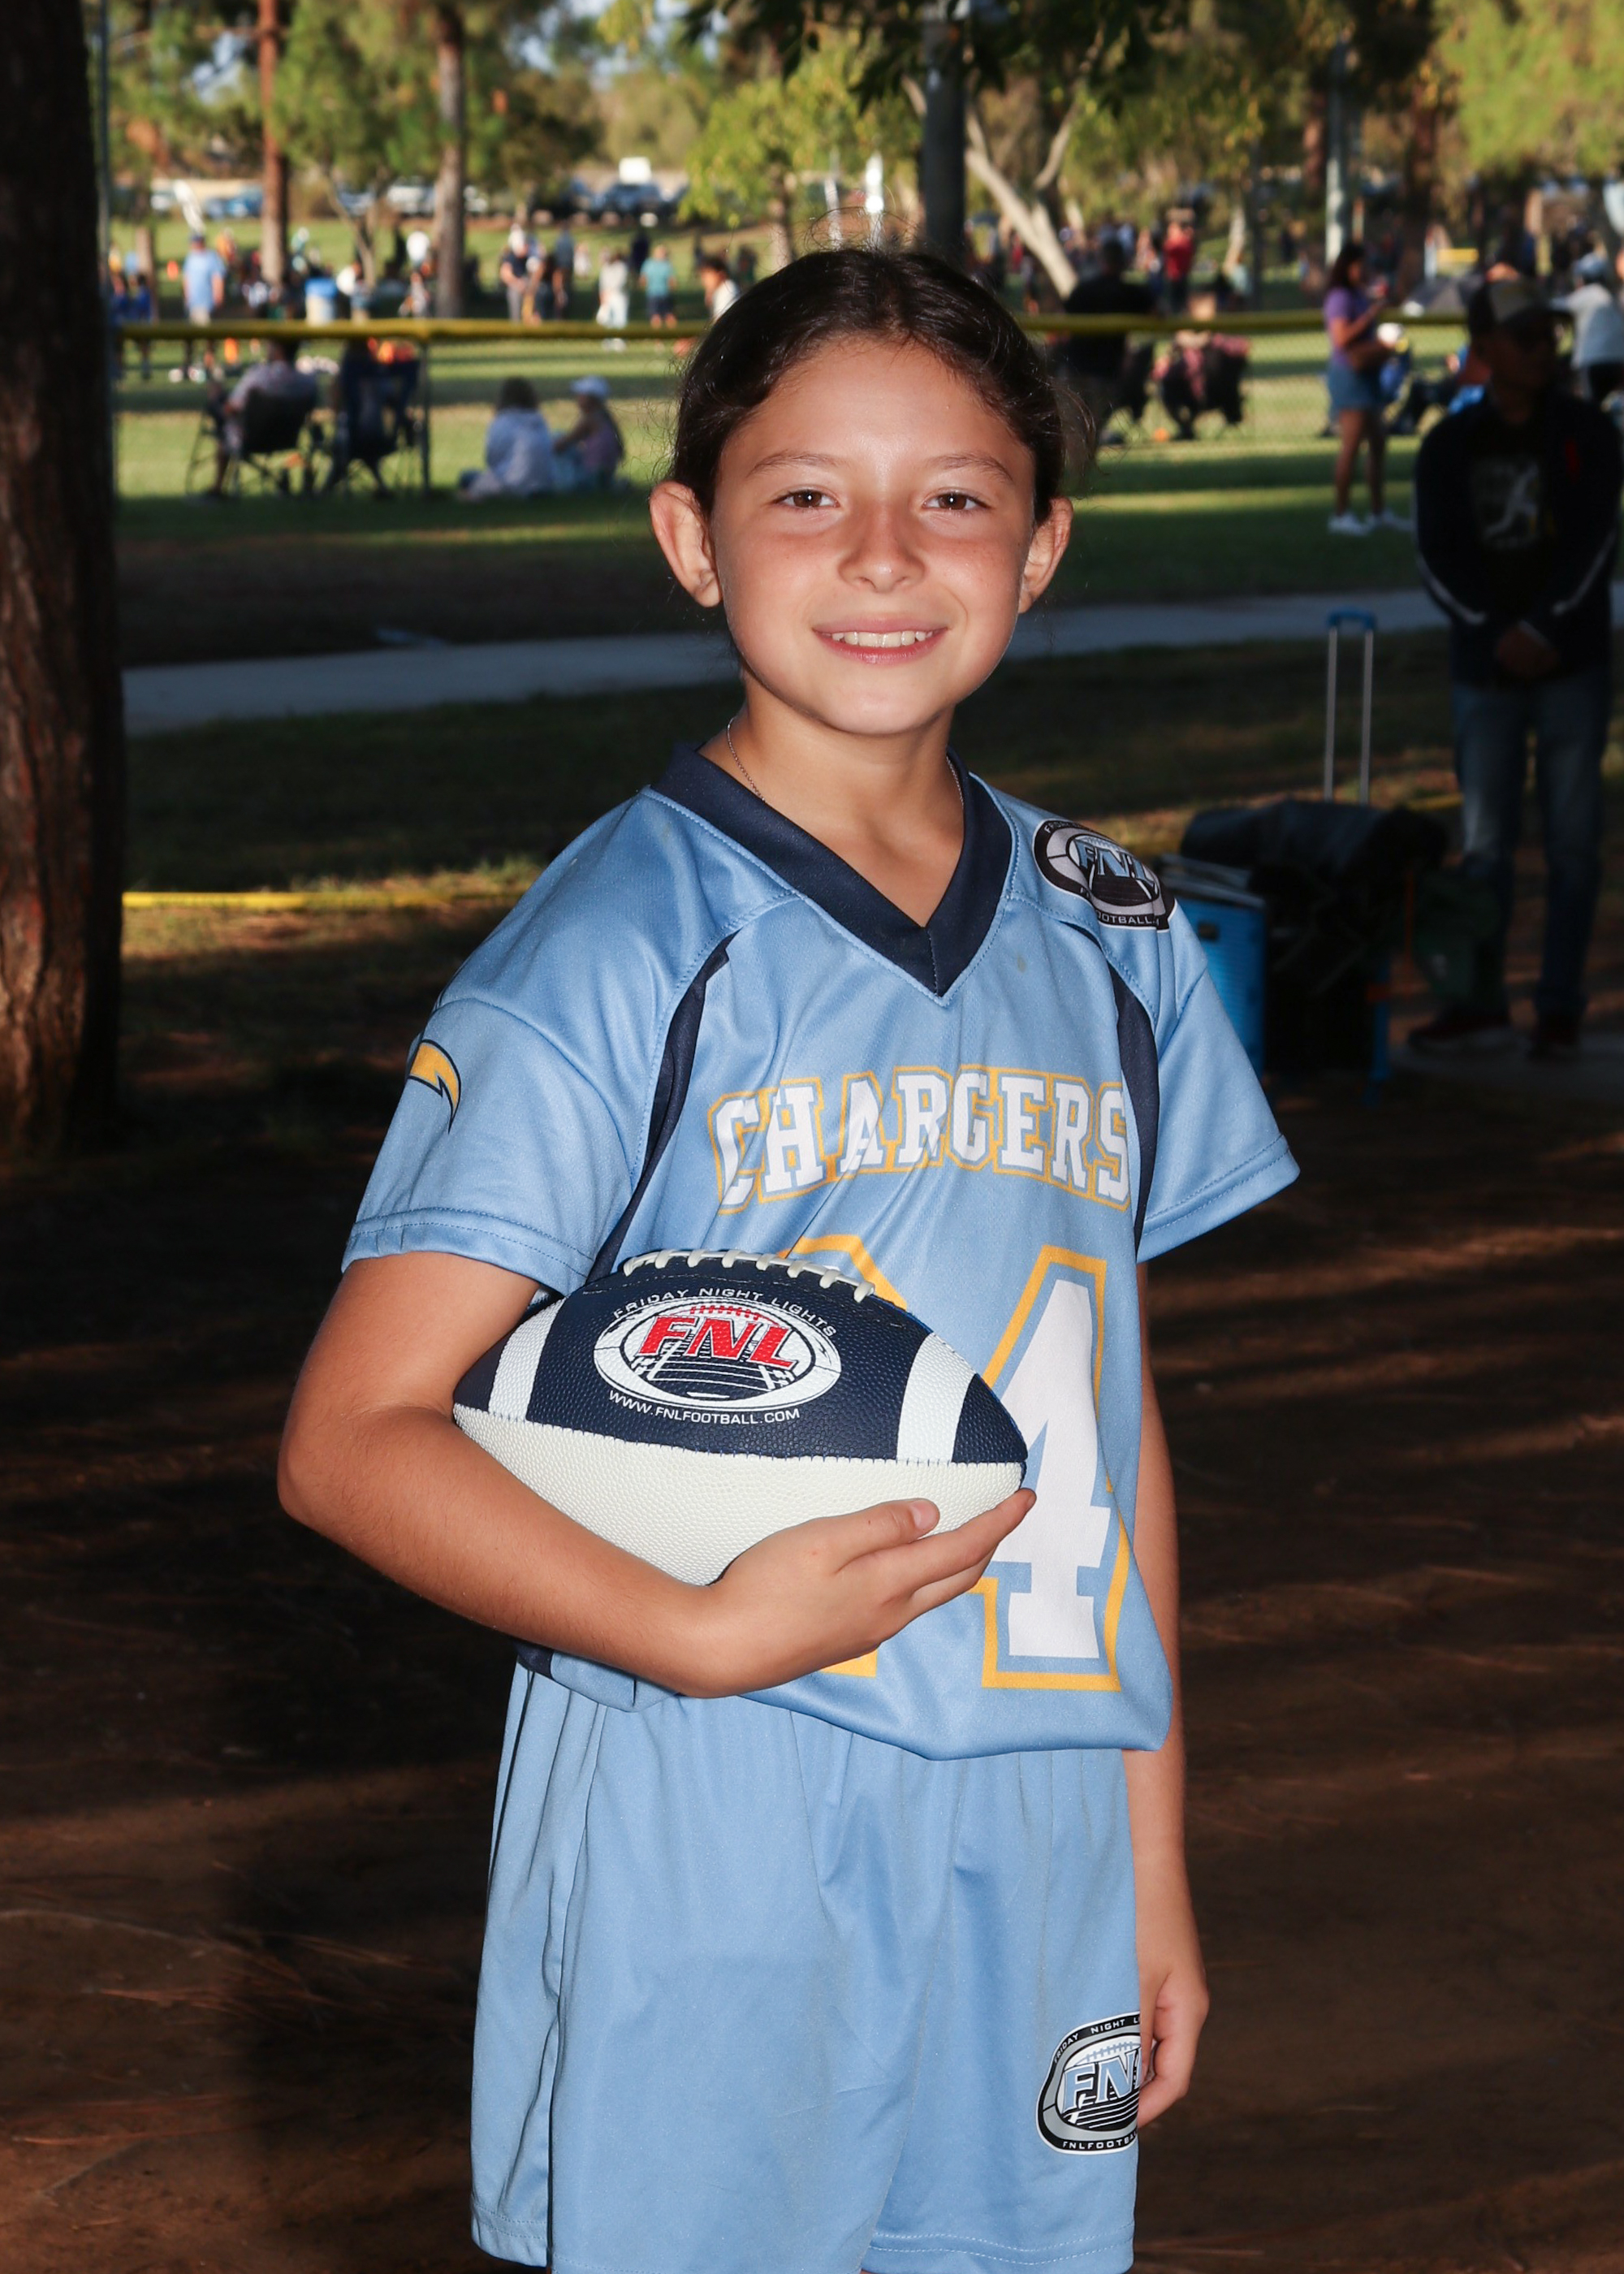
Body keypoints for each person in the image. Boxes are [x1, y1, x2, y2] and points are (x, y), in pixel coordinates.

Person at [278, 247, 1298, 2274]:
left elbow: (1107, 1433)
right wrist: (692, 1631)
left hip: (1034, 1807)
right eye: (806, 493)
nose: (883, 552)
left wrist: (1148, 1853)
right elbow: (350, 1438)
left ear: (1041, 548)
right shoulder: (617, 946)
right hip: (712, 1783)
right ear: (692, 538)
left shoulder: (1115, 932)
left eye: (954, 497)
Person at [1413, 275, 1622, 1059]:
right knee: (1486, 844)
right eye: (1526, 335)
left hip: (1571, 665)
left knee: (1573, 843)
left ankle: (1559, 1005)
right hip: (1486, 671)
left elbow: (1598, 541)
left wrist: (1543, 627)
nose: (1543, 349)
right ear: (1484, 347)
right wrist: (1497, 633)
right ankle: (1479, 1002)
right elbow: (1437, 557)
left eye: (1550, 334)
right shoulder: (1449, 444)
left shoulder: (1588, 431)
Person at [1322, 240, 1407, 534]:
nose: (1365, 270)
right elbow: (1341, 338)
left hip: (1368, 375)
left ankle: (1378, 511)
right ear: (1347, 267)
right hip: (1350, 376)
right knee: (1351, 446)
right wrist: (1370, 316)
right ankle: (1341, 514)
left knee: (1379, 442)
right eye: (1360, 264)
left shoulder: (1359, 294)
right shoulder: (1339, 297)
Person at [1059, 233, 1155, 439]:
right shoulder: (1130, 293)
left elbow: (1061, 319)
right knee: (1090, 432)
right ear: (1124, 262)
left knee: (1076, 432)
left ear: (1101, 260)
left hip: (1076, 368)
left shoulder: (1084, 290)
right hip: (1104, 374)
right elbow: (1158, 313)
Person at [205, 336, 318, 494]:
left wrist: (216, 398)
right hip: (288, 438)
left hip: (250, 439)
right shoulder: (307, 382)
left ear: (278, 349)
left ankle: (218, 486)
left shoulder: (260, 376)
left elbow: (231, 409)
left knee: (220, 413)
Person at [458, 376, 558, 499]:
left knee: (467, 477)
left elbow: (492, 458)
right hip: (545, 484)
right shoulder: (539, 420)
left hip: (512, 485)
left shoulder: (502, 421)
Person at [1559, 249, 1624, 408]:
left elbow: (1558, 308)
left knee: (1592, 407)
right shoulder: (1612, 296)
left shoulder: (1586, 296)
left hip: (1591, 361)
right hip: (1618, 359)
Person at [551, 373, 624, 489]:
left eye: (581, 395)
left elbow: (562, 445)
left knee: (557, 437)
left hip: (592, 476)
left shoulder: (589, 420)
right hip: (606, 474)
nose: (577, 398)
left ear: (591, 399)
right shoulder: (605, 418)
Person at [180, 229, 227, 378]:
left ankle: (209, 366)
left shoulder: (212, 258)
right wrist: (186, 298)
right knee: (189, 338)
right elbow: (186, 279)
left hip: (207, 304)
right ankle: (187, 366)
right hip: (192, 305)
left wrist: (218, 297)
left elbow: (217, 278)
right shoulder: (190, 258)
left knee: (209, 339)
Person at [499, 227, 535, 324]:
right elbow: (505, 274)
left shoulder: (526, 257)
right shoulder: (511, 257)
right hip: (516, 287)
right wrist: (518, 283)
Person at [597, 246, 631, 339]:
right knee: (617, 319)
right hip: (616, 295)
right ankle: (615, 340)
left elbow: (603, 284)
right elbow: (621, 282)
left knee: (613, 319)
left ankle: (613, 339)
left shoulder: (610, 267)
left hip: (611, 294)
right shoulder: (620, 267)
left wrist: (604, 294)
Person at [641, 240, 676, 326]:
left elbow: (643, 280)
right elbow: (672, 282)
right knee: (660, 316)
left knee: (663, 316)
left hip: (659, 294)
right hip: (658, 293)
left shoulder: (663, 265)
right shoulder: (664, 265)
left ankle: (662, 335)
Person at [698, 250, 739, 318]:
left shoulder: (728, 289)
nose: (704, 280)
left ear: (720, 274)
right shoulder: (720, 291)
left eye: (707, 274)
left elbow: (722, 320)